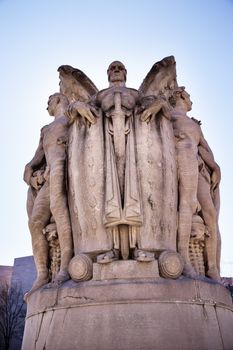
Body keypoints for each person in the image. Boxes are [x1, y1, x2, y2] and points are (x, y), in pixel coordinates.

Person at [24, 93, 73, 295]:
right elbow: (35, 161)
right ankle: (42, 273)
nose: (47, 105)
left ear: (60, 100)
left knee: (59, 210)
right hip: (48, 177)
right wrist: (30, 176)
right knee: (35, 222)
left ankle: (65, 268)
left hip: (67, 173)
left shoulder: (71, 118)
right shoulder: (46, 130)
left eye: (50, 101)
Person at [170, 87, 220, 280]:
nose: (191, 100)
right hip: (180, 161)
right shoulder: (170, 115)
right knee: (187, 202)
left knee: (210, 214)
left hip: (198, 167)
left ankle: (212, 267)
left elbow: (204, 148)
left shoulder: (193, 124)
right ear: (181, 96)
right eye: (189, 96)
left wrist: (214, 166)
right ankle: (183, 255)